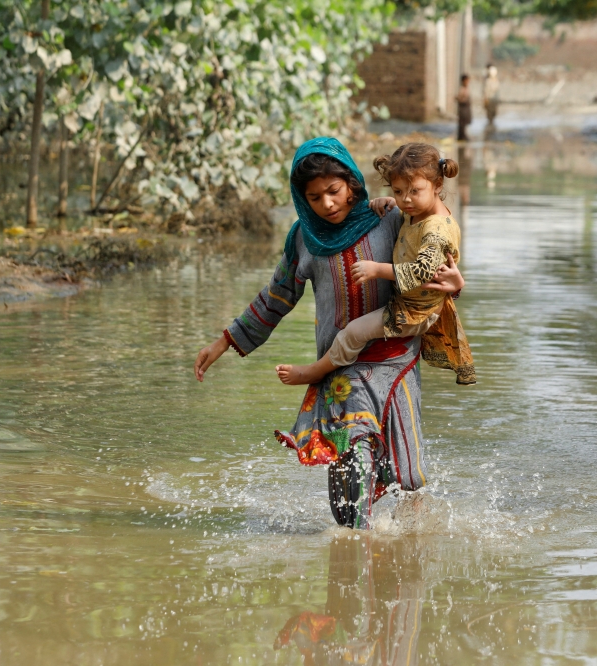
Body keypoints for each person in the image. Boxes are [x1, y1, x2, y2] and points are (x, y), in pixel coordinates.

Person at [193, 137, 464, 529]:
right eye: (315, 197)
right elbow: (277, 296)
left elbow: (435, 264)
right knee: (351, 482)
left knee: (409, 480)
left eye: (334, 191)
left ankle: (408, 564)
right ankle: (353, 561)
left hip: (397, 363)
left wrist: (457, 283)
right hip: (340, 370)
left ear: (353, 183)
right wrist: (225, 340)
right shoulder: (304, 238)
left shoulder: (391, 218)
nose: (328, 204)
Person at [276, 142, 476, 387]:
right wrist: (389, 201)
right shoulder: (412, 214)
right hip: (411, 305)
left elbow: (423, 271)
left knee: (353, 332)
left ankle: (316, 371)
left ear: (437, 185)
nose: (405, 199)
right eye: (398, 191)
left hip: (413, 311)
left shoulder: (436, 229)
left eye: (414, 191)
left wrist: (377, 269)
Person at [484, 64, 500, 130]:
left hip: (494, 100)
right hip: (490, 99)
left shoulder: (496, 81)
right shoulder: (488, 81)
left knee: (493, 112)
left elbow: (497, 91)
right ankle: (490, 123)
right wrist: (486, 98)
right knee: (489, 112)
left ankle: (492, 123)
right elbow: (486, 91)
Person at [456, 74, 472, 142]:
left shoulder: (467, 88)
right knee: (462, 123)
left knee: (465, 122)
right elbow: (458, 98)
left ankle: (463, 135)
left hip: (466, 108)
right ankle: (461, 136)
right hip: (463, 108)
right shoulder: (462, 89)